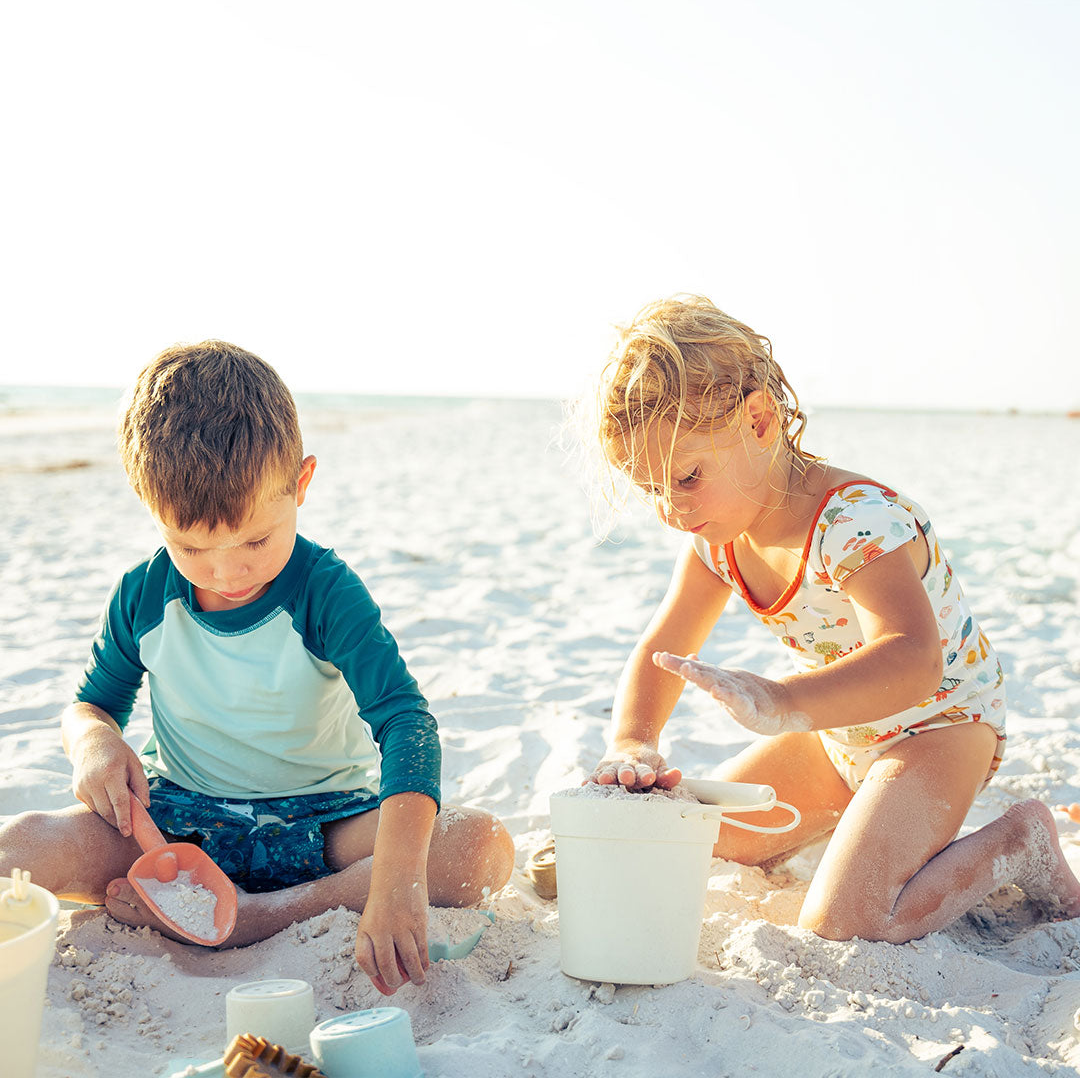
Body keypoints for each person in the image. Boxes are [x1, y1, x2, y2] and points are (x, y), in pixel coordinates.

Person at [0, 341, 514, 994]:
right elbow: (91, 706)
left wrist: (396, 884)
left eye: (255, 539)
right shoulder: (143, 595)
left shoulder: (325, 592)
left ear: (301, 483)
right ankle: (205, 903)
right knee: (22, 845)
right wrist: (95, 744)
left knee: (478, 847)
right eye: (190, 547)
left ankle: (258, 916)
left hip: (324, 828)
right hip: (175, 828)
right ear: (146, 503)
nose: (226, 571)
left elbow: (406, 722)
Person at [580, 294, 1080, 942]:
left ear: (759, 419)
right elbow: (662, 645)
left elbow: (913, 658)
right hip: (837, 734)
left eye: (687, 477)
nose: (671, 511)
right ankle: (859, 815)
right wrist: (632, 740)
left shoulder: (855, 521)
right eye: (651, 490)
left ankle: (1020, 841)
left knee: (845, 921)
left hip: (939, 726)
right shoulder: (714, 540)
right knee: (695, 837)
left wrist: (782, 701)